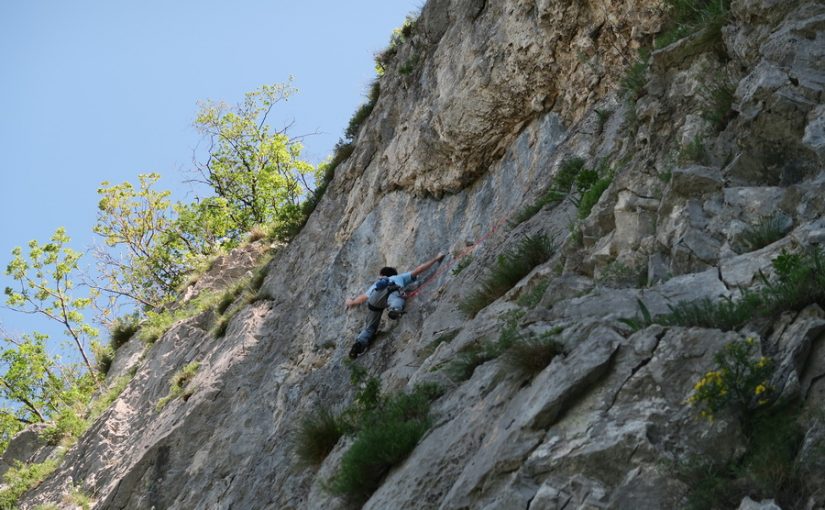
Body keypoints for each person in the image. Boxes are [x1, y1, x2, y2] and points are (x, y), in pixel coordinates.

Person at [345, 252, 445, 358]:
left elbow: (363, 298)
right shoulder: (398, 277)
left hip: (374, 299)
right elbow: (418, 270)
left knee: (370, 328)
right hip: (391, 289)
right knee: (396, 298)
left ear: (382, 275)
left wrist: (351, 302)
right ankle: (395, 309)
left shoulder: (376, 284)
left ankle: (359, 344)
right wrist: (436, 259)